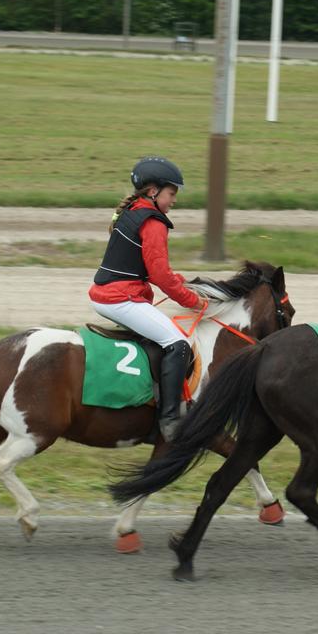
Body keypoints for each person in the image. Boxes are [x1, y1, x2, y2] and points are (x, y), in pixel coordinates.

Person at [89, 156, 207, 442]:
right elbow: (160, 276)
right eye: (172, 193)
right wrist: (194, 301)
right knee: (178, 344)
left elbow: (158, 270)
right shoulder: (153, 223)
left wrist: (184, 283)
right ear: (153, 191)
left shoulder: (131, 210)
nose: (174, 200)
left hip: (110, 293)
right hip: (120, 298)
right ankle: (169, 421)